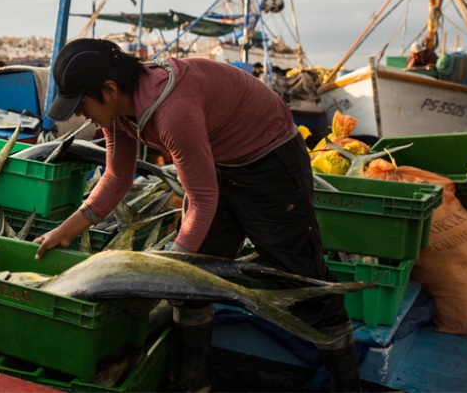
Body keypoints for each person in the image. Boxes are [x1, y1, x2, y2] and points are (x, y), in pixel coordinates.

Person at [34, 38, 360, 393]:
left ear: (109, 89)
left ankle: (347, 385)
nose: (79, 114)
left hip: (270, 161)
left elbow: (202, 199)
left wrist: (161, 275)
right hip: (218, 162)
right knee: (191, 285)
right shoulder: (118, 115)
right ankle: (193, 385)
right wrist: (63, 232)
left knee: (301, 280)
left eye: (80, 104)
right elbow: (116, 177)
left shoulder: (173, 111)